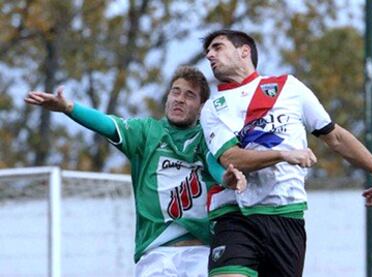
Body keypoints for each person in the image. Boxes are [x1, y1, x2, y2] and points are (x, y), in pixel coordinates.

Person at [25, 66, 315, 277]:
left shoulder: (207, 136)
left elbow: (217, 167)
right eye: (175, 92)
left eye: (189, 95)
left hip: (202, 251)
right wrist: (69, 108)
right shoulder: (146, 133)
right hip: (156, 254)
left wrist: (228, 177)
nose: (179, 99)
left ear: (203, 107)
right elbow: (106, 123)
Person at [200, 30, 372, 277]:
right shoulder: (213, 108)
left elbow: (335, 136)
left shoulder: (288, 87)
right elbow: (231, 158)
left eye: (217, 47)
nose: (209, 55)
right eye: (208, 51)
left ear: (244, 51)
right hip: (236, 216)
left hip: (287, 214)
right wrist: (284, 155)